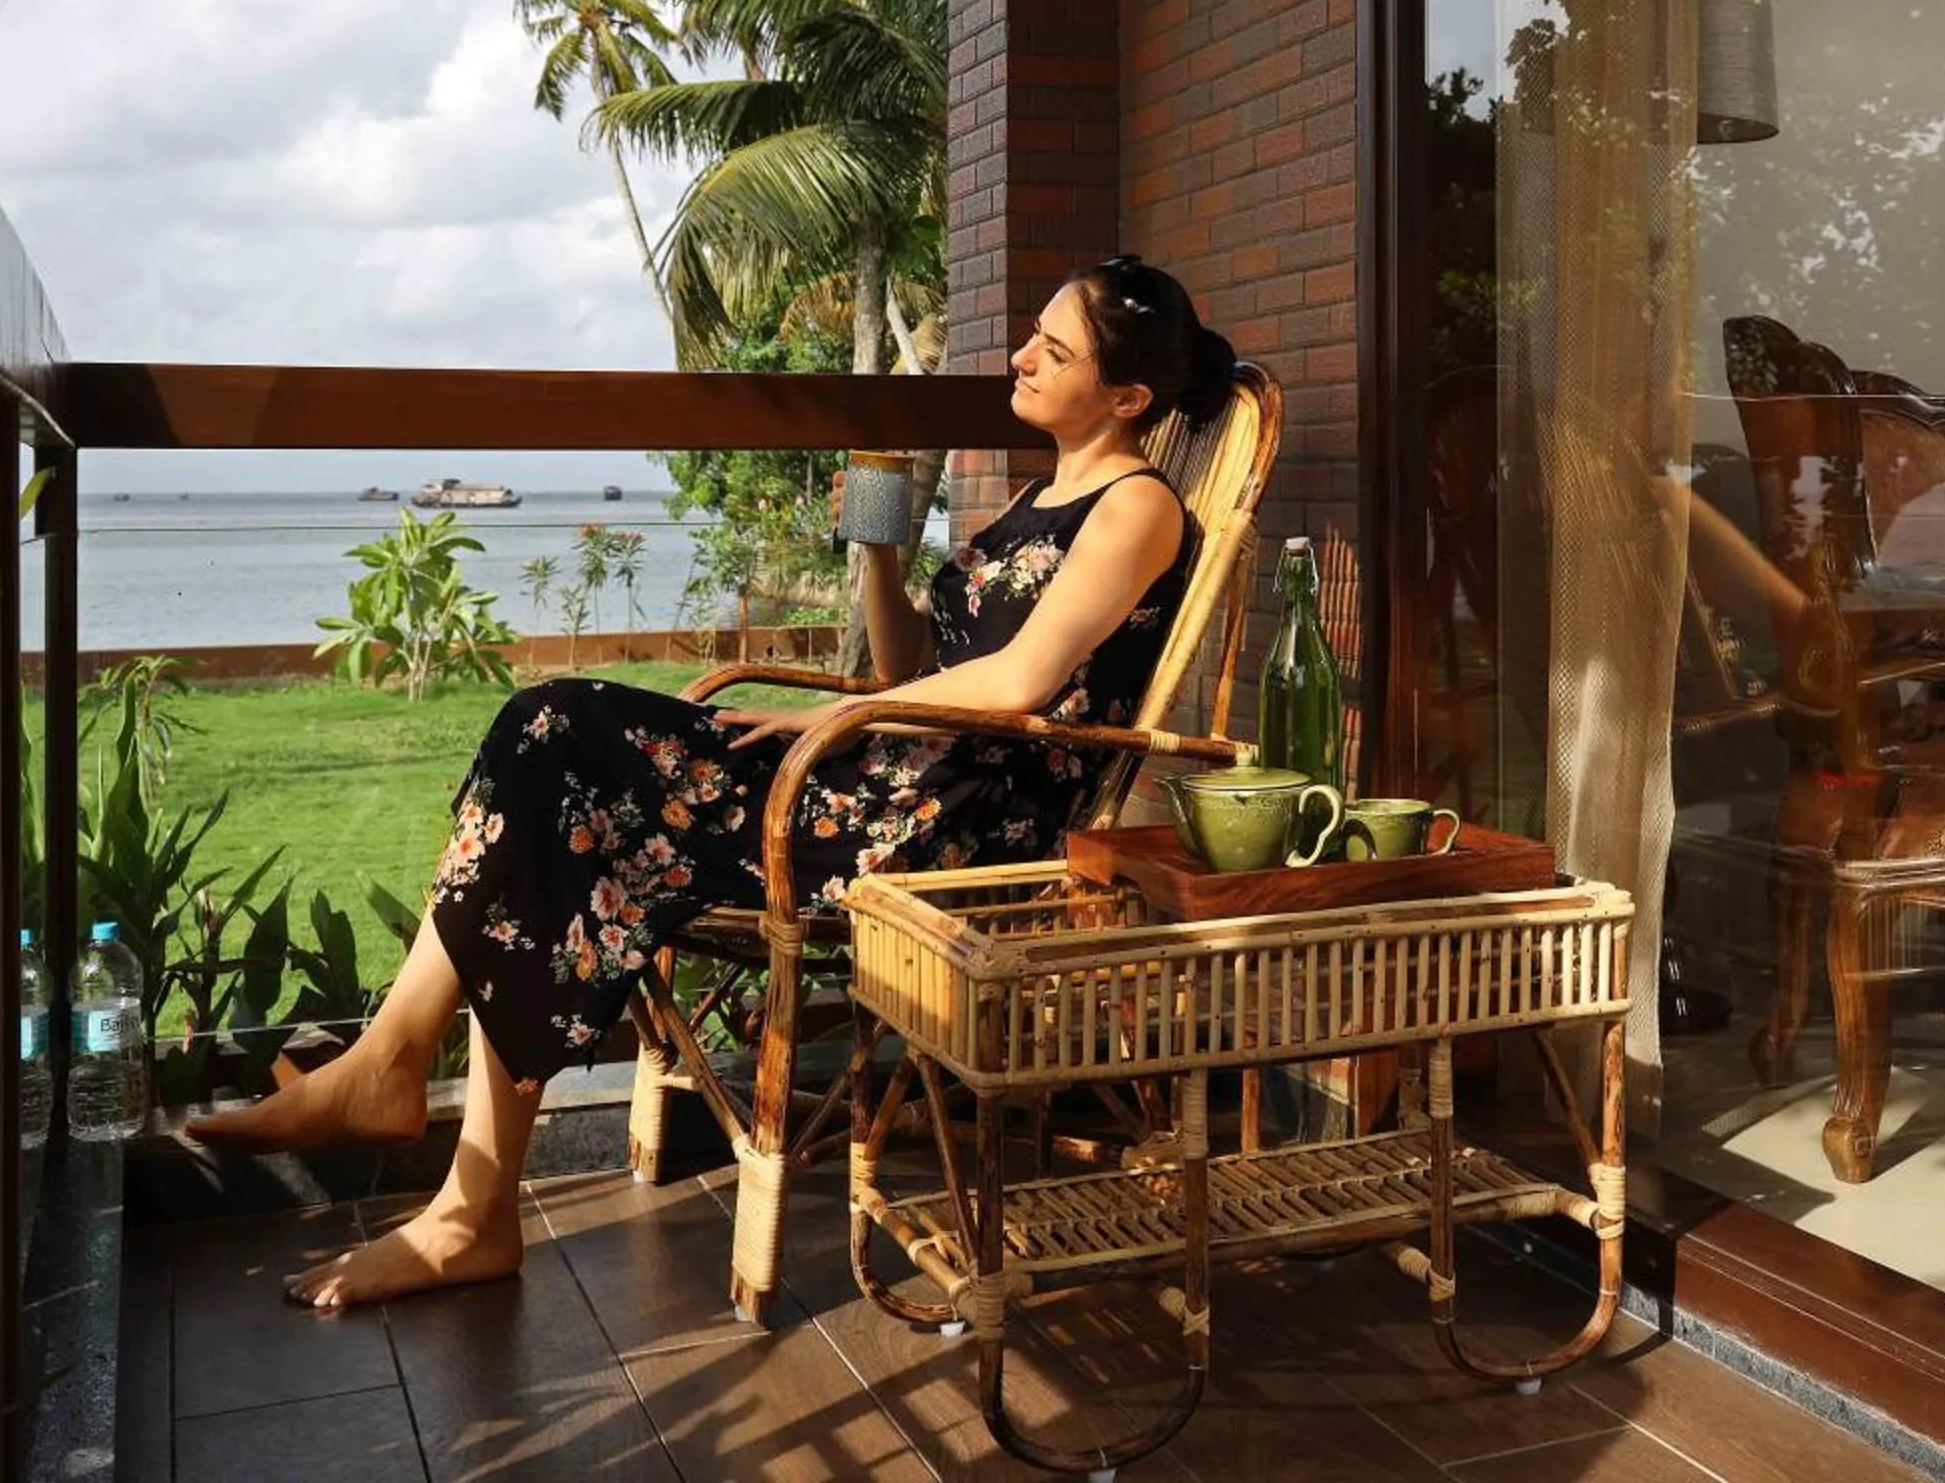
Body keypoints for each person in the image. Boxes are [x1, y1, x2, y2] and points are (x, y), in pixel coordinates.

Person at [188, 256, 1237, 1309]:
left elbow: (1021, 681)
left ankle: (421, 1121)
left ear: (1128, 397)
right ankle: (445, 1164)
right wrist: (874, 558)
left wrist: (832, 719)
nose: (1019, 355)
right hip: (877, 769)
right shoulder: (1037, 495)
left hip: (939, 825)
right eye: (1033, 334)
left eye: (1053, 350)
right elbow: (910, 671)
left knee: (557, 737)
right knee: (553, 772)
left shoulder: (1136, 506)